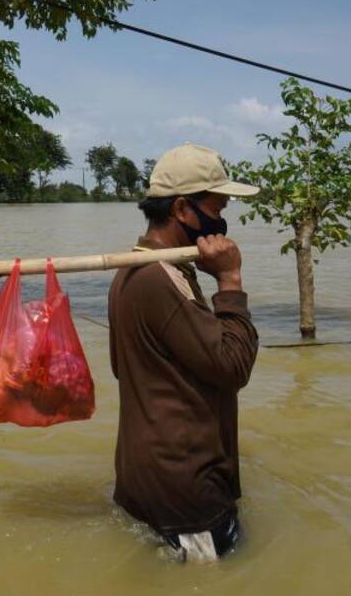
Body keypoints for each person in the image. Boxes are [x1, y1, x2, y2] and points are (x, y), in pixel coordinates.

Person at [107, 143, 260, 562]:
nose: (222, 220)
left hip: (145, 482)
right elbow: (233, 366)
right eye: (217, 207)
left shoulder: (132, 270)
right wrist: (230, 280)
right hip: (186, 492)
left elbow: (124, 369)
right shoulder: (160, 280)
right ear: (180, 210)